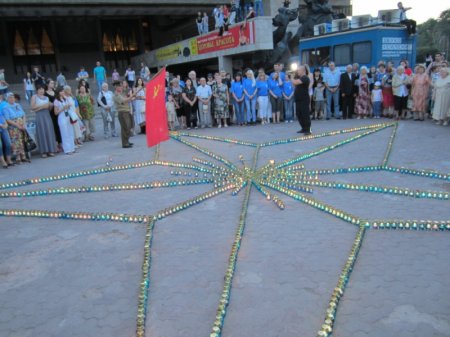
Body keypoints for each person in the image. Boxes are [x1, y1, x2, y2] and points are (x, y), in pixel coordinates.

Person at [30, 86, 57, 158]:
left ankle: (51, 150)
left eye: (42, 89)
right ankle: (43, 151)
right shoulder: (34, 97)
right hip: (39, 116)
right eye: (39, 89)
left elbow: (49, 108)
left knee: (48, 132)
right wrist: (43, 106)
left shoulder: (47, 98)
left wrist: (50, 105)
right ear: (37, 90)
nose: (41, 90)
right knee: (42, 133)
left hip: (47, 115)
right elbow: (32, 107)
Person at [3, 93, 29, 163]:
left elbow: (23, 114)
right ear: (7, 99)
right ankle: (18, 157)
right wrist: (17, 125)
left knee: (22, 140)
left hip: (21, 125)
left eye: (13, 97)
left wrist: (23, 123)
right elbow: (7, 119)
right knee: (16, 142)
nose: (12, 99)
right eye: (10, 98)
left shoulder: (18, 105)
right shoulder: (5, 108)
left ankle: (23, 156)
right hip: (13, 127)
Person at [53, 86, 75, 155]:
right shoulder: (56, 101)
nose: (63, 92)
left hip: (68, 116)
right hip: (62, 117)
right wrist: (63, 108)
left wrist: (68, 106)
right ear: (58, 93)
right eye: (61, 91)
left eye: (63, 91)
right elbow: (55, 112)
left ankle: (72, 148)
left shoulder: (65, 98)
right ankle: (67, 149)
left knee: (70, 132)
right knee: (65, 134)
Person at [113, 83, 136, 148]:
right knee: (125, 128)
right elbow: (124, 100)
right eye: (119, 87)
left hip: (127, 111)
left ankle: (127, 141)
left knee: (129, 126)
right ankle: (125, 143)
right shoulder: (116, 95)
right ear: (116, 88)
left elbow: (128, 99)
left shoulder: (121, 94)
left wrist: (132, 97)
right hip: (122, 113)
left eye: (121, 86)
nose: (121, 88)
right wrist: (131, 96)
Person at [292, 65, 311, 135]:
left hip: (304, 99)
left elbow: (296, 82)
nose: (297, 71)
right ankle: (303, 128)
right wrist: (293, 78)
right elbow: (293, 85)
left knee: (305, 114)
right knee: (299, 114)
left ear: (303, 71)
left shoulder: (305, 78)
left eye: (299, 70)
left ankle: (308, 129)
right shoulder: (298, 78)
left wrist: (291, 77)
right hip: (298, 99)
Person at [45, 79, 61, 151]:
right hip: (51, 112)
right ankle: (56, 144)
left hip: (58, 111)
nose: (53, 84)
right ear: (47, 84)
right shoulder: (45, 94)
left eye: (53, 83)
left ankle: (61, 143)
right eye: (51, 83)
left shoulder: (55, 92)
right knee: (54, 128)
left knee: (59, 127)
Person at [0, 103, 13, 167]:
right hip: (1, 126)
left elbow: (2, 117)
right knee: (0, 146)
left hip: (4, 128)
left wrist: (6, 124)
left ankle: (8, 160)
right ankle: (3, 161)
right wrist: (1, 125)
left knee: (8, 144)